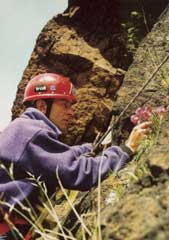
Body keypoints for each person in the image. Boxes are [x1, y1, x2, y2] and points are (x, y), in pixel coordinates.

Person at [0, 73, 151, 239]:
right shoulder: (31, 133)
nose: (71, 112)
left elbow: (59, 157)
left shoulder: (24, 129)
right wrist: (125, 149)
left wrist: (91, 147)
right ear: (42, 106)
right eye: (65, 104)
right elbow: (77, 172)